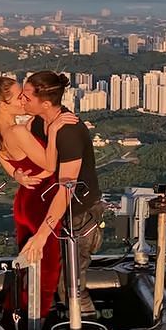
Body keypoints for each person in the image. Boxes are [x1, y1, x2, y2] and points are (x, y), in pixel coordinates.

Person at [0, 75, 69, 323]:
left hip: (25, 201)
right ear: (4, 104)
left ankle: (9, 318)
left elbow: (4, 160)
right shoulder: (16, 131)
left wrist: (17, 174)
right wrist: (57, 131)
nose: (24, 99)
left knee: (25, 266)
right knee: (46, 270)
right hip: (41, 201)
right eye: (19, 96)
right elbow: (50, 163)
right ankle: (35, 324)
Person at [18, 70, 101, 316]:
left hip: (78, 213)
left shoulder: (69, 130)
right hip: (51, 210)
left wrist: (42, 234)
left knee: (71, 284)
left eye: (27, 97)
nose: (22, 100)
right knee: (46, 279)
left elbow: (67, 188)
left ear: (45, 103)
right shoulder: (36, 123)